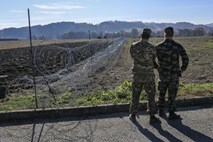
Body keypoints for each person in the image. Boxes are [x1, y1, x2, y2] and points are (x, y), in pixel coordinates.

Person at [156, 27, 189, 120]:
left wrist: (157, 67)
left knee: (161, 93)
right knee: (172, 95)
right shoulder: (177, 46)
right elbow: (185, 59)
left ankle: (161, 110)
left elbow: (152, 59)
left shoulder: (158, 46)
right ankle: (171, 113)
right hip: (174, 75)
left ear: (164, 34)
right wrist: (182, 69)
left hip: (162, 75)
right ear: (173, 34)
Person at [129, 28, 160, 124]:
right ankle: (152, 115)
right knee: (151, 95)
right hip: (149, 75)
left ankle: (133, 114)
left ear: (141, 35)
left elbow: (133, 56)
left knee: (135, 94)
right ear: (149, 36)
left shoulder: (133, 46)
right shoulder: (152, 47)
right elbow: (153, 59)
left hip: (137, 74)